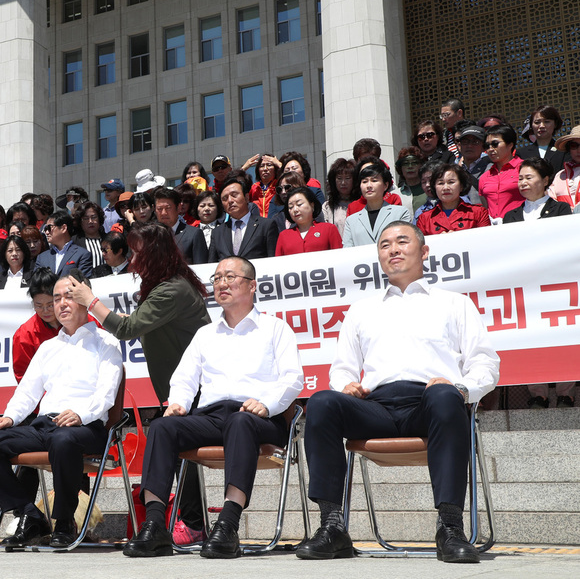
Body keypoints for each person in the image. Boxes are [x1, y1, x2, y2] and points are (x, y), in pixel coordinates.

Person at [297, 222, 499, 564]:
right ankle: (332, 526)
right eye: (385, 245)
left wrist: (462, 388)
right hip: (376, 408)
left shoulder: (454, 304)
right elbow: (342, 367)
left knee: (447, 395)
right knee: (321, 402)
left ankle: (450, 527)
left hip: (431, 405)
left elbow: (485, 364)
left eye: (402, 241)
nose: (393, 249)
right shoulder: (362, 309)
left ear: (424, 251)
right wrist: (346, 384)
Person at [123, 256, 303, 559]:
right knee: (164, 426)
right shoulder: (206, 333)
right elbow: (184, 378)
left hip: (259, 417)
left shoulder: (275, 328)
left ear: (252, 286)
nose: (222, 283)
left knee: (240, 421)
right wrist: (178, 403)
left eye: (230, 277)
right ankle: (155, 526)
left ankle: (228, 525)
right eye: (217, 278)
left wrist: (266, 404)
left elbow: (292, 378)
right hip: (212, 417)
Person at [69, 223, 211, 543]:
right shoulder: (165, 285)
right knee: (177, 454)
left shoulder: (172, 290)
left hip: (197, 393)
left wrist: (90, 300)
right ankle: (189, 521)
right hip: (181, 393)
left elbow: (127, 327)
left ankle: (191, 523)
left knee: (179, 452)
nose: (132, 260)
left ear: (154, 254)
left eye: (137, 252)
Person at [0, 272, 122, 549]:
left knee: (64, 440)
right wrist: (10, 416)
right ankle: (29, 513)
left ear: (85, 299)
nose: (61, 304)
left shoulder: (106, 342)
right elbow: (27, 392)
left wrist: (81, 414)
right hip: (45, 425)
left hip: (86, 427)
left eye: (69, 296)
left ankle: (64, 522)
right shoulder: (47, 347)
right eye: (56, 298)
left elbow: (106, 394)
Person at [501, 158, 574, 408]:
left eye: (529, 177)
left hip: (555, 286)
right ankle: (537, 393)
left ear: (545, 181)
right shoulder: (510, 215)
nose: (522, 182)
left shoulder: (562, 211)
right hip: (524, 289)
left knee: (560, 336)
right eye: (520, 178)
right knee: (530, 338)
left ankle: (566, 391)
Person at [342, 162, 411, 247]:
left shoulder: (400, 213)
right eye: (364, 181)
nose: (369, 185)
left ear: (385, 185)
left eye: (374, 180)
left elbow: (405, 243)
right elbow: (348, 251)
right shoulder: (351, 221)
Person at [209, 177, 276, 262]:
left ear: (247, 197)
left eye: (234, 195)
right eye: (225, 198)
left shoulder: (266, 225)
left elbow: (274, 261)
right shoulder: (217, 233)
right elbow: (211, 266)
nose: (230, 200)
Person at [12, 268, 61, 383]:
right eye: (38, 306)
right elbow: (24, 377)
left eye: (50, 305)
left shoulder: (79, 320)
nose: (45, 311)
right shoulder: (24, 334)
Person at [417, 163, 490, 235]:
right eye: (441, 183)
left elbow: (485, 242)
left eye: (451, 182)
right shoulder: (424, 218)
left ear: (461, 186)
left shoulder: (478, 213)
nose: (445, 188)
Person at [275, 188, 343, 255]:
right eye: (290, 207)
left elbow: (339, 257)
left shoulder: (328, 229)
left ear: (312, 205)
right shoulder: (284, 236)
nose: (295, 210)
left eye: (299, 204)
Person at [478, 124, 523, 221]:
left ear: (510, 145)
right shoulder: (484, 177)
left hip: (520, 224)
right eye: (487, 146)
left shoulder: (525, 169)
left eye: (495, 144)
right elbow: (485, 206)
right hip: (494, 229)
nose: (490, 149)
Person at [154, 187, 208, 265]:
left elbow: (201, 267)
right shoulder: (150, 235)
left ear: (178, 208)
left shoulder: (194, 234)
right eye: (159, 209)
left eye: (168, 208)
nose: (163, 213)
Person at [36, 210, 93, 278]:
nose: (47, 232)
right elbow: (36, 283)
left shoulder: (82, 255)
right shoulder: (42, 257)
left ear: (63, 228)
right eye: (45, 229)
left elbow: (83, 283)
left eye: (49, 228)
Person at [517, 105, 567, 170]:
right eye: (537, 122)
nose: (541, 126)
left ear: (555, 124)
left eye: (547, 122)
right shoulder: (521, 153)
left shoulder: (563, 151)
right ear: (531, 126)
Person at [321, 158, 357, 238]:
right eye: (339, 178)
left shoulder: (362, 204)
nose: (343, 183)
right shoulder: (327, 207)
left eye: (347, 178)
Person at [550, 124, 580, 210]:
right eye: (574, 145)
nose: (579, 150)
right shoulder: (560, 175)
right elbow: (551, 203)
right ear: (569, 148)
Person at [72, 201, 107, 269]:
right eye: (86, 218)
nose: (90, 221)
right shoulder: (74, 242)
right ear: (80, 221)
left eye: (93, 217)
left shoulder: (108, 239)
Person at [394, 148, 428, 214]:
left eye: (414, 163)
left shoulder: (431, 192)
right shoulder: (394, 195)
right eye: (406, 163)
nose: (410, 167)